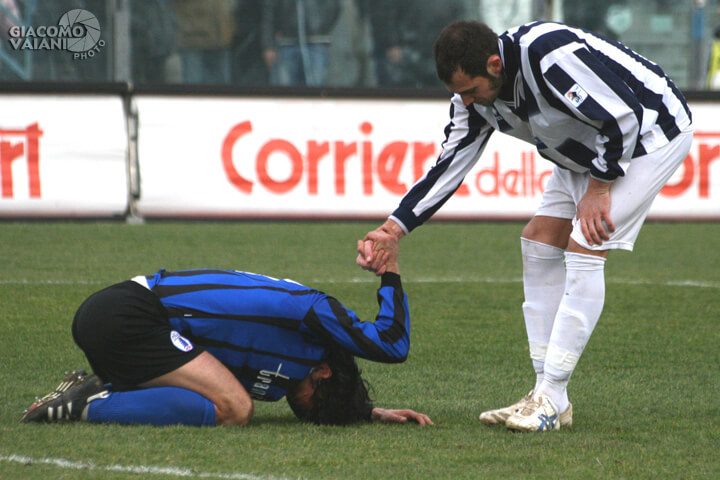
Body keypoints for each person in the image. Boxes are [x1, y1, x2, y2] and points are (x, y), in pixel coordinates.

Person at [357, 20, 693, 432]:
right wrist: (393, 230)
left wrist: (600, 187)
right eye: (456, 94)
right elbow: (449, 165)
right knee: (537, 240)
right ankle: (547, 397)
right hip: (585, 148)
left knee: (585, 243)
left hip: (650, 135)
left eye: (469, 90)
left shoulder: (548, 55)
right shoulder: (472, 100)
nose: (464, 102)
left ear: (495, 65)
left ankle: (551, 394)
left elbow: (623, 117)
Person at [21, 234, 432, 427]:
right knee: (235, 408)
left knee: (218, 394)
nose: (304, 410)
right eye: (319, 406)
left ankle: (98, 383)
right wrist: (389, 270)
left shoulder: (291, 360)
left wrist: (366, 413)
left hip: (126, 319)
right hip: (129, 315)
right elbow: (392, 345)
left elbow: (203, 377)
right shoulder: (313, 310)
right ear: (324, 370)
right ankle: (90, 402)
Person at [261, 0, 341, 86]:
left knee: (315, 92)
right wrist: (268, 45)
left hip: (316, 43)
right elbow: (268, 11)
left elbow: (336, 6)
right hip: (286, 43)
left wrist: (321, 27)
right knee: (284, 93)